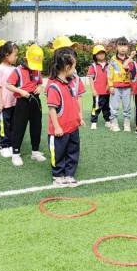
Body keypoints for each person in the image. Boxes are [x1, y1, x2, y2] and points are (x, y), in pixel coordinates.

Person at [46, 48, 85, 187]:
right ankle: (58, 175)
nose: (75, 70)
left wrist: (79, 117)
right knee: (58, 153)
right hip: (59, 130)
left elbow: (76, 101)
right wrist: (56, 126)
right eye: (74, 66)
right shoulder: (54, 86)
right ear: (67, 67)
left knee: (73, 151)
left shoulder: (72, 82)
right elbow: (52, 109)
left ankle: (69, 174)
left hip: (72, 127)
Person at [5, 44, 47, 167]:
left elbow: (40, 83)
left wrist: (40, 87)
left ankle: (35, 151)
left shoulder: (37, 69)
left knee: (36, 126)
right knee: (19, 127)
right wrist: (20, 91)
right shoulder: (17, 70)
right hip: (22, 101)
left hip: (35, 100)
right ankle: (16, 153)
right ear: (26, 58)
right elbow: (8, 85)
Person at [0, 41, 19, 158]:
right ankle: (4, 145)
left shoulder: (15, 69)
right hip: (4, 104)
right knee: (4, 125)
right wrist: (0, 102)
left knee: (13, 125)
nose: (16, 57)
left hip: (14, 102)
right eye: (15, 55)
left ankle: (12, 145)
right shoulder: (0, 69)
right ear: (7, 55)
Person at [107, 37, 133, 132]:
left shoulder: (130, 60)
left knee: (127, 106)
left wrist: (132, 87)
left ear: (128, 47)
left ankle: (127, 124)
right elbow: (109, 73)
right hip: (116, 87)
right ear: (116, 47)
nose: (123, 48)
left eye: (125, 45)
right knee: (114, 106)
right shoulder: (113, 60)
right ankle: (114, 123)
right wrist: (110, 86)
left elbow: (132, 73)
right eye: (120, 45)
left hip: (127, 87)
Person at [87, 44, 111, 130]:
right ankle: (94, 122)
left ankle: (107, 121)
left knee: (106, 107)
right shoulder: (93, 66)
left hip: (107, 91)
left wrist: (109, 86)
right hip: (97, 92)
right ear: (95, 55)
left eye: (103, 53)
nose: (101, 55)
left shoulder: (109, 65)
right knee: (96, 107)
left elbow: (111, 77)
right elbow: (90, 79)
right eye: (99, 53)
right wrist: (93, 90)